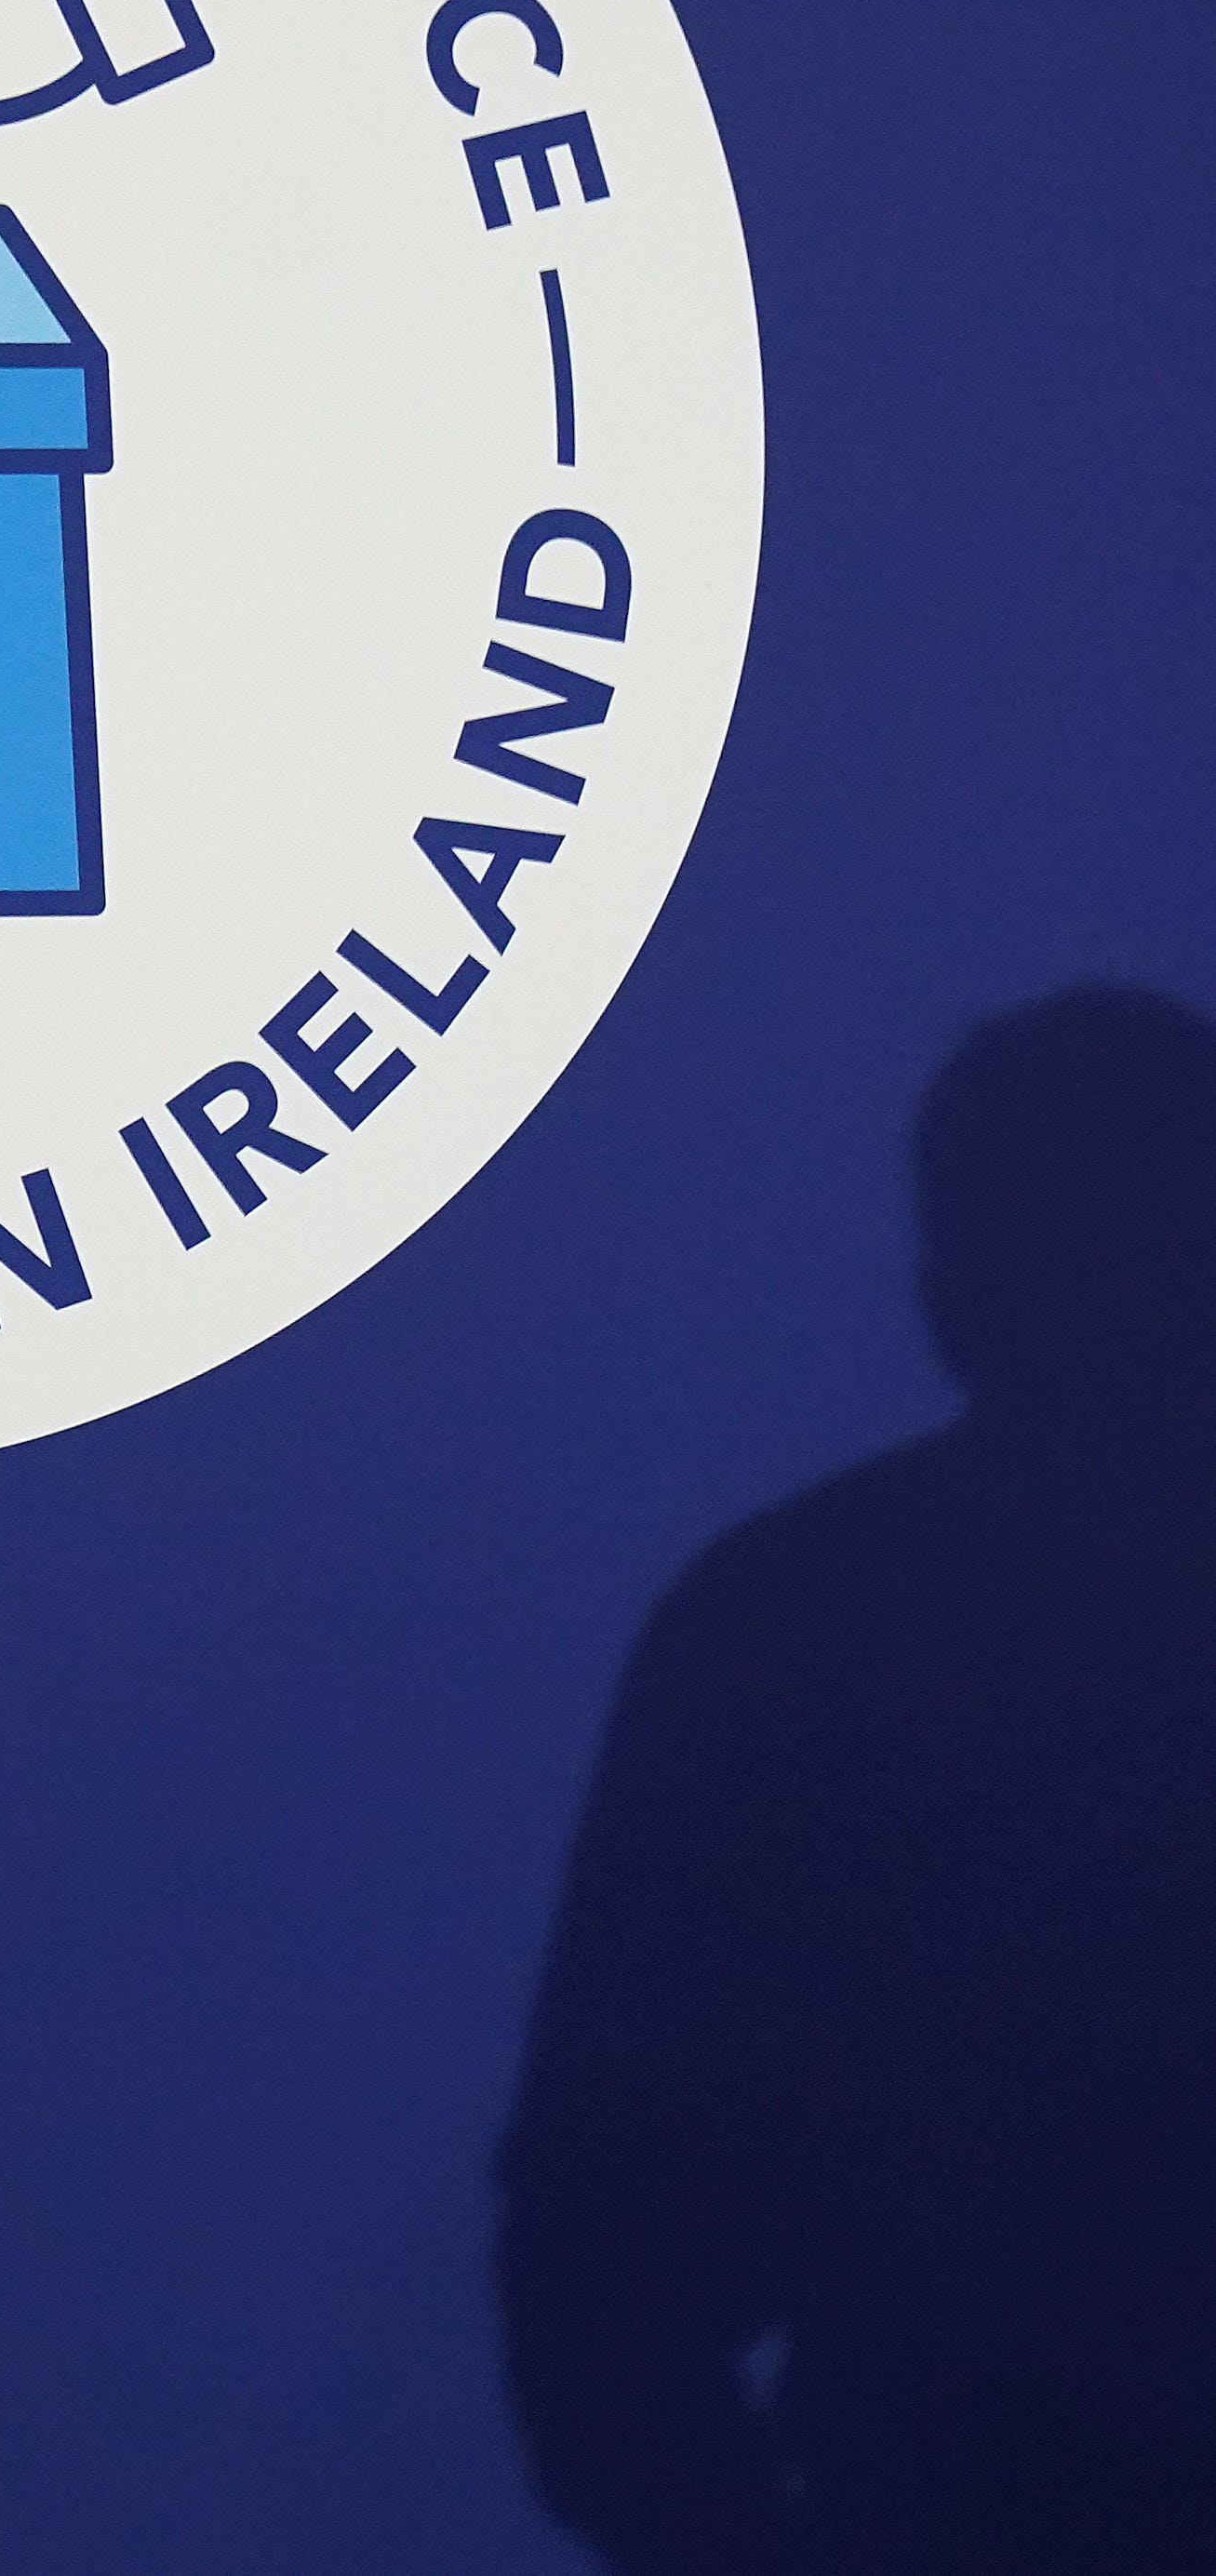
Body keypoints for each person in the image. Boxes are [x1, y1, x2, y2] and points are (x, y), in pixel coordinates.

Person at [494, 985, 1216, 2572]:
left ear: (948, 1286)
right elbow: (599, 2241)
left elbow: (598, 2249)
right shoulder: (789, 1634)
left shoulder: (792, 1625)